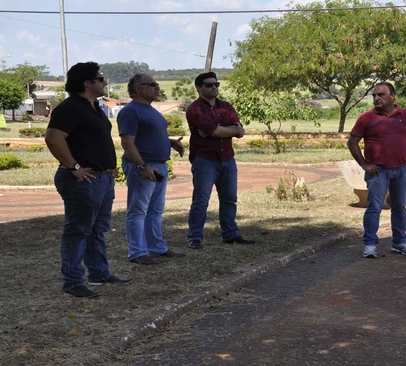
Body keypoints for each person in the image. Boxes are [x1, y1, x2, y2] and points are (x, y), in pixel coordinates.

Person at [45, 62, 133, 298]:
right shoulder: (70, 107)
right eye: (100, 78)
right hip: (82, 181)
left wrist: (107, 168)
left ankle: (99, 273)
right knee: (78, 231)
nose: (104, 82)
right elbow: (54, 138)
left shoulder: (93, 106)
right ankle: (73, 282)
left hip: (101, 178)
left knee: (97, 230)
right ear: (87, 83)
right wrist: (73, 167)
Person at [346, 81, 406, 259]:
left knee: (399, 207)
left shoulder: (405, 115)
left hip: (401, 171)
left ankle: (399, 242)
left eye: (381, 95)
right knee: (374, 208)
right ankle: (370, 245)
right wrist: (364, 164)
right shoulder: (367, 117)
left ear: (392, 96)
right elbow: (352, 142)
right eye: (374, 95)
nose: (376, 98)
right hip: (378, 172)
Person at [117, 73, 187, 265]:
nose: (157, 88)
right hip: (144, 167)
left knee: (155, 210)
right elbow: (127, 142)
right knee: (138, 211)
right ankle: (137, 252)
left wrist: (171, 143)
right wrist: (142, 166)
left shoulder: (150, 110)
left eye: (157, 84)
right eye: (152, 84)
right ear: (138, 89)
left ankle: (156, 248)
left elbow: (149, 135)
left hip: (159, 166)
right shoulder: (130, 111)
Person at [185, 71, 254, 250]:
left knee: (230, 199)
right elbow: (219, 132)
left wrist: (219, 129)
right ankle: (194, 237)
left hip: (228, 159)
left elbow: (241, 132)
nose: (214, 87)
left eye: (216, 84)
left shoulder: (226, 106)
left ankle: (230, 234)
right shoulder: (195, 109)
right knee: (201, 200)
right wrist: (225, 129)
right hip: (205, 160)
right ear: (199, 88)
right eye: (209, 85)